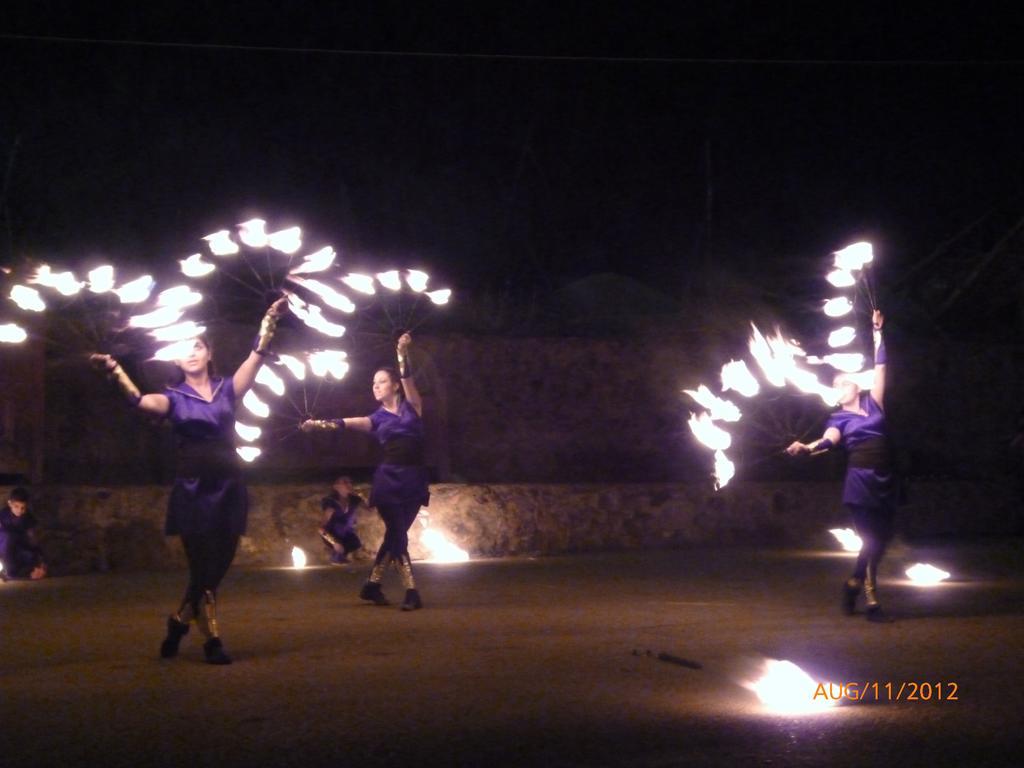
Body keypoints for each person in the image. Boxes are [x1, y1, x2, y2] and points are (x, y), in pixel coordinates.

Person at [90, 297, 286, 663]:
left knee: (218, 565)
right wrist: (115, 370)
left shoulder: (230, 388)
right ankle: (212, 640)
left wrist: (268, 322)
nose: (192, 352)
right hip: (193, 489)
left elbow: (256, 357)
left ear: (209, 352)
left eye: (198, 345)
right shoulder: (173, 398)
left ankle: (179, 621)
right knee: (201, 568)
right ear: (176, 360)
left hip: (229, 485)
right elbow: (138, 401)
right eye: (185, 349)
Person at [301, 331, 428, 611]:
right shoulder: (375, 419)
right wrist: (316, 424)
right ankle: (411, 591)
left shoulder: (413, 407)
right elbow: (345, 423)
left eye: (382, 381)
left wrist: (401, 351)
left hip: (415, 480)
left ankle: (372, 585)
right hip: (388, 482)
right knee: (398, 533)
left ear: (395, 386)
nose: (376, 386)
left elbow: (408, 377)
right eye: (373, 383)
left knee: (396, 535)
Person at [787, 309, 898, 622]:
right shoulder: (838, 419)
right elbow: (827, 442)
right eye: (837, 384)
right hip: (860, 481)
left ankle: (852, 582)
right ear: (837, 397)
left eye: (845, 381)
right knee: (871, 539)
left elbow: (881, 366)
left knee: (882, 540)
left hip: (886, 479)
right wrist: (805, 448)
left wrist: (878, 333)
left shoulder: (875, 403)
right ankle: (871, 598)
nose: (842, 383)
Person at [0, 487, 47, 580]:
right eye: (16, 506)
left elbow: (34, 541)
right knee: (8, 536)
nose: (20, 511)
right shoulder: (2, 516)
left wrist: (41, 564)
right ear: (10, 503)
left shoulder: (28, 519)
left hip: (19, 550)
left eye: (23, 508)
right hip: (4, 551)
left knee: (32, 559)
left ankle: (24, 573)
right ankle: (10, 572)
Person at [319, 475, 365, 564]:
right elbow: (321, 528)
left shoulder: (353, 500)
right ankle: (336, 554)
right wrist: (334, 542)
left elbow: (370, 506)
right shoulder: (331, 504)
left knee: (355, 543)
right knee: (340, 542)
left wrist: (360, 494)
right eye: (344, 482)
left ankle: (342, 555)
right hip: (333, 534)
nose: (348, 484)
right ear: (336, 486)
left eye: (349, 482)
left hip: (348, 535)